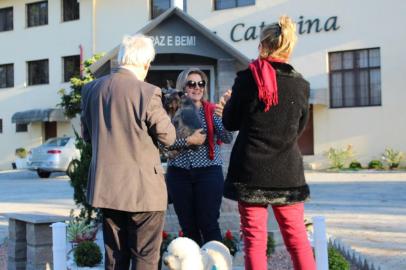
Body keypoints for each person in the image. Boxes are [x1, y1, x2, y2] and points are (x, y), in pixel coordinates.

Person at [219, 16, 317, 270]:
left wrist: (229, 102)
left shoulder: (247, 79)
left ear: (262, 45)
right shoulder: (301, 85)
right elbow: (298, 128)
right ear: (288, 46)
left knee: (254, 241)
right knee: (297, 240)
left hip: (250, 170)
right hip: (287, 171)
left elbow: (230, 122)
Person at [80, 35, 176, 269]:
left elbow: (87, 136)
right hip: (143, 191)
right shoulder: (147, 92)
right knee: (144, 257)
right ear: (145, 63)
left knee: (115, 256)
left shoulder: (91, 89)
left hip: (108, 187)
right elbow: (169, 137)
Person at [165, 68, 233, 246]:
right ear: (183, 87)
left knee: (209, 224)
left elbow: (227, 137)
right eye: (191, 83)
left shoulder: (211, 109)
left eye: (201, 83)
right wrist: (188, 141)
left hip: (208, 173)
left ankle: (216, 264)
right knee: (188, 228)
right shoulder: (171, 112)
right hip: (178, 174)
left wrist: (221, 114)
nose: (197, 87)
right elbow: (164, 144)